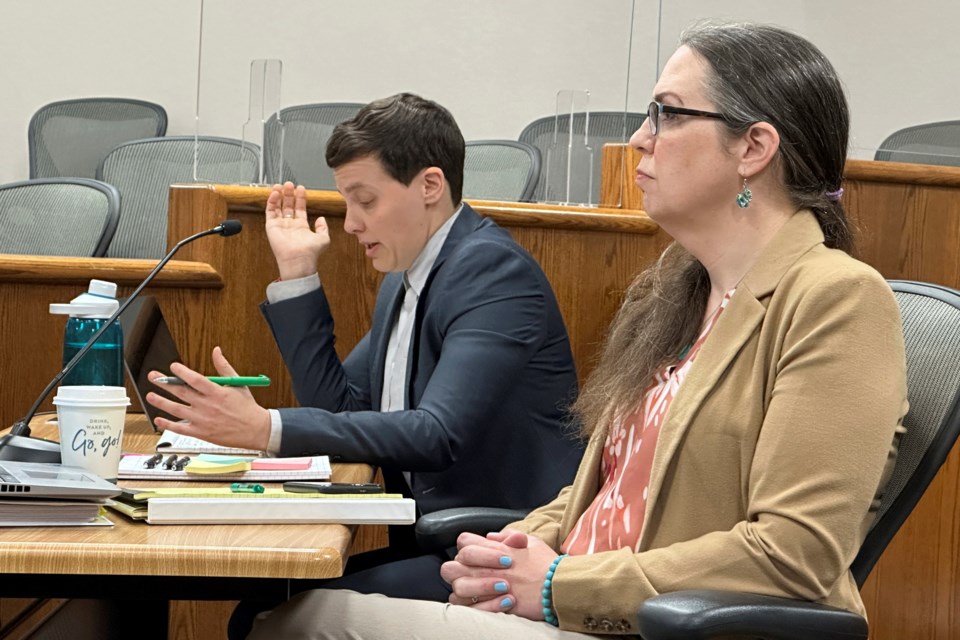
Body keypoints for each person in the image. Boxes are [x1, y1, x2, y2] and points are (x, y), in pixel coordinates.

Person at [243, 22, 909, 639]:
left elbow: (794, 555)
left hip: (646, 622)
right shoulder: (677, 290)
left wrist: (560, 582)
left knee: (299, 622)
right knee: (286, 612)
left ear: (754, 148)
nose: (640, 140)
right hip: (576, 599)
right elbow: (603, 487)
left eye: (668, 114)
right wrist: (505, 552)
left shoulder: (836, 300)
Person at [145, 94, 582, 633]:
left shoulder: (491, 273)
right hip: (447, 543)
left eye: (365, 200)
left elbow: (437, 434)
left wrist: (266, 427)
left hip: (502, 550)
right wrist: (298, 272)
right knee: (259, 605)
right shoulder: (407, 276)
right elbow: (342, 408)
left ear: (429, 186)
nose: (349, 223)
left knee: (261, 618)